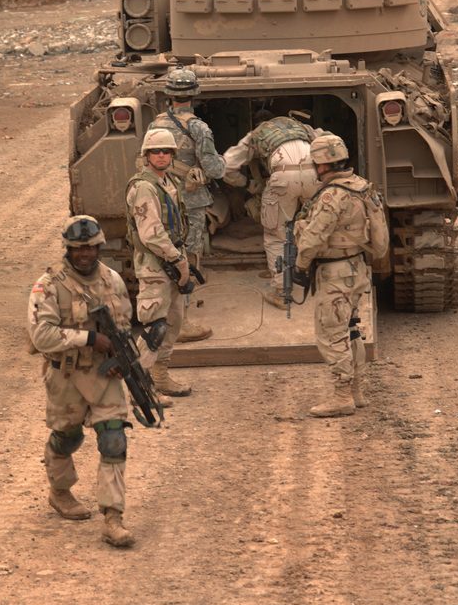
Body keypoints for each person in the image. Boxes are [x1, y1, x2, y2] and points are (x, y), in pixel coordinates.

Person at [27, 215, 135, 548]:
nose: (84, 254)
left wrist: (121, 359)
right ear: (68, 249)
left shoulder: (113, 280)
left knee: (113, 439)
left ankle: (112, 517)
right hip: (67, 375)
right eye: (77, 249)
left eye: (90, 247)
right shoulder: (48, 285)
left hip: (104, 375)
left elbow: (125, 323)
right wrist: (88, 339)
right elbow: (41, 335)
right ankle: (60, 490)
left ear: (100, 246)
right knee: (66, 437)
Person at [292, 135, 387, 418]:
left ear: (320, 165)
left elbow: (313, 237)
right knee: (352, 329)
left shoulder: (332, 194)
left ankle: (342, 395)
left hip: (334, 272)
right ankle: (356, 390)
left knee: (331, 334)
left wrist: (300, 265)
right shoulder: (361, 186)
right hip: (356, 267)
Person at [147, 68, 226, 341]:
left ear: (169, 95)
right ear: (194, 95)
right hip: (190, 203)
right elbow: (215, 169)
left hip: (161, 198)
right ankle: (182, 323)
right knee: (188, 260)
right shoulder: (198, 127)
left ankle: (161, 314)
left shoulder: (155, 125)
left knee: (165, 255)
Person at [222, 109, 320, 310]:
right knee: (317, 226)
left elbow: (227, 166)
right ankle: (322, 275)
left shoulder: (256, 134)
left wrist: (248, 184)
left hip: (282, 177)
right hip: (315, 174)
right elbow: (334, 143)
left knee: (277, 235)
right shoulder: (303, 127)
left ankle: (282, 292)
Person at [126, 129, 193, 397]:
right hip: (155, 264)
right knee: (155, 327)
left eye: (166, 151)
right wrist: (177, 260)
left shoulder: (167, 183)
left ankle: (160, 377)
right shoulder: (144, 187)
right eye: (156, 151)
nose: (162, 155)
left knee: (173, 323)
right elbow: (150, 233)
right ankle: (139, 388)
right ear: (147, 155)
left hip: (171, 260)